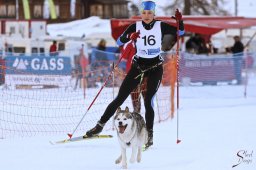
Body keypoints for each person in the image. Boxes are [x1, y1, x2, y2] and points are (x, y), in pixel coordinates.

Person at [85, 1, 185, 148]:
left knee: (148, 101)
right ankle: (99, 125)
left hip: (155, 67)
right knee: (119, 98)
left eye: (149, 13)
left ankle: (149, 135)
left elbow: (180, 32)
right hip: (138, 66)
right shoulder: (135, 26)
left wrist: (179, 21)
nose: (146, 16)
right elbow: (119, 40)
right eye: (144, 13)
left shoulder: (160, 25)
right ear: (141, 13)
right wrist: (130, 36)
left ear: (154, 14)